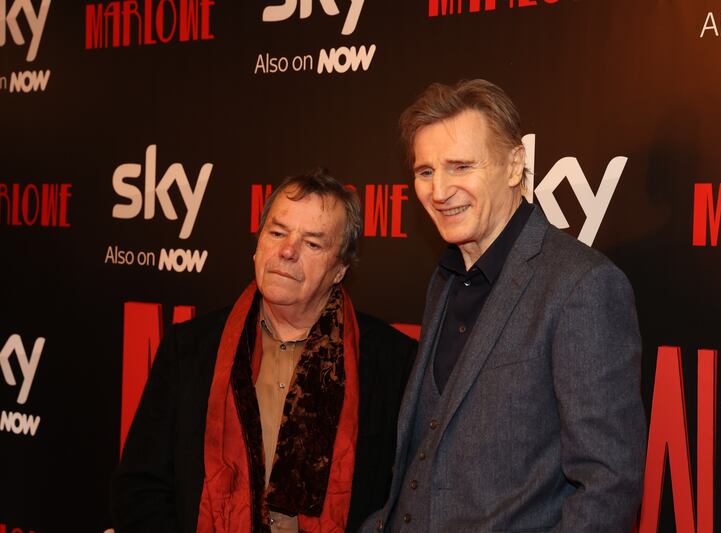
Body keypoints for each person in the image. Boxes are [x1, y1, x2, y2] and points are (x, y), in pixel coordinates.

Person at [364, 79, 646, 532]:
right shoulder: (445, 279)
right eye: (425, 172)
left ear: (515, 165)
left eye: (460, 166)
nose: (439, 192)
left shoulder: (582, 285)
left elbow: (608, 486)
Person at [111, 169, 417, 533]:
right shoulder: (189, 349)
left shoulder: (393, 363)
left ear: (340, 269)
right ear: (257, 245)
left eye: (313, 243)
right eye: (277, 232)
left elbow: (406, 502)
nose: (287, 251)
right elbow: (140, 487)